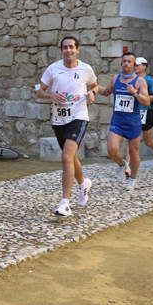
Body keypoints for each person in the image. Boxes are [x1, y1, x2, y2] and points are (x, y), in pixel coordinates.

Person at [37, 36, 98, 217]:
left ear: (77, 49)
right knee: (71, 157)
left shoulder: (86, 69)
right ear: (61, 50)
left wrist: (92, 93)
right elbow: (39, 90)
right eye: (65, 47)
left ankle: (65, 203)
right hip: (59, 119)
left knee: (66, 157)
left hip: (78, 116)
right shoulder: (53, 69)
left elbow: (94, 85)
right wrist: (51, 96)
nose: (68, 50)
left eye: (72, 47)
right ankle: (84, 182)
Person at [96, 52, 150, 190]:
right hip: (118, 121)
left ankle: (133, 178)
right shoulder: (116, 78)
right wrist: (94, 87)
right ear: (121, 63)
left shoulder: (139, 81)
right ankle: (122, 165)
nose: (126, 63)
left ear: (134, 65)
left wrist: (135, 93)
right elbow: (106, 91)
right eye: (124, 61)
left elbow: (147, 101)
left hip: (133, 123)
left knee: (133, 152)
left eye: (129, 62)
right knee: (112, 149)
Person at [135, 57, 153, 165]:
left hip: (146, 113)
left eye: (137, 65)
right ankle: (129, 166)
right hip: (134, 113)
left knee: (148, 141)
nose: (135, 67)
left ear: (144, 66)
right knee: (133, 140)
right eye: (134, 65)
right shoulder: (131, 79)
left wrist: (143, 97)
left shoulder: (150, 80)